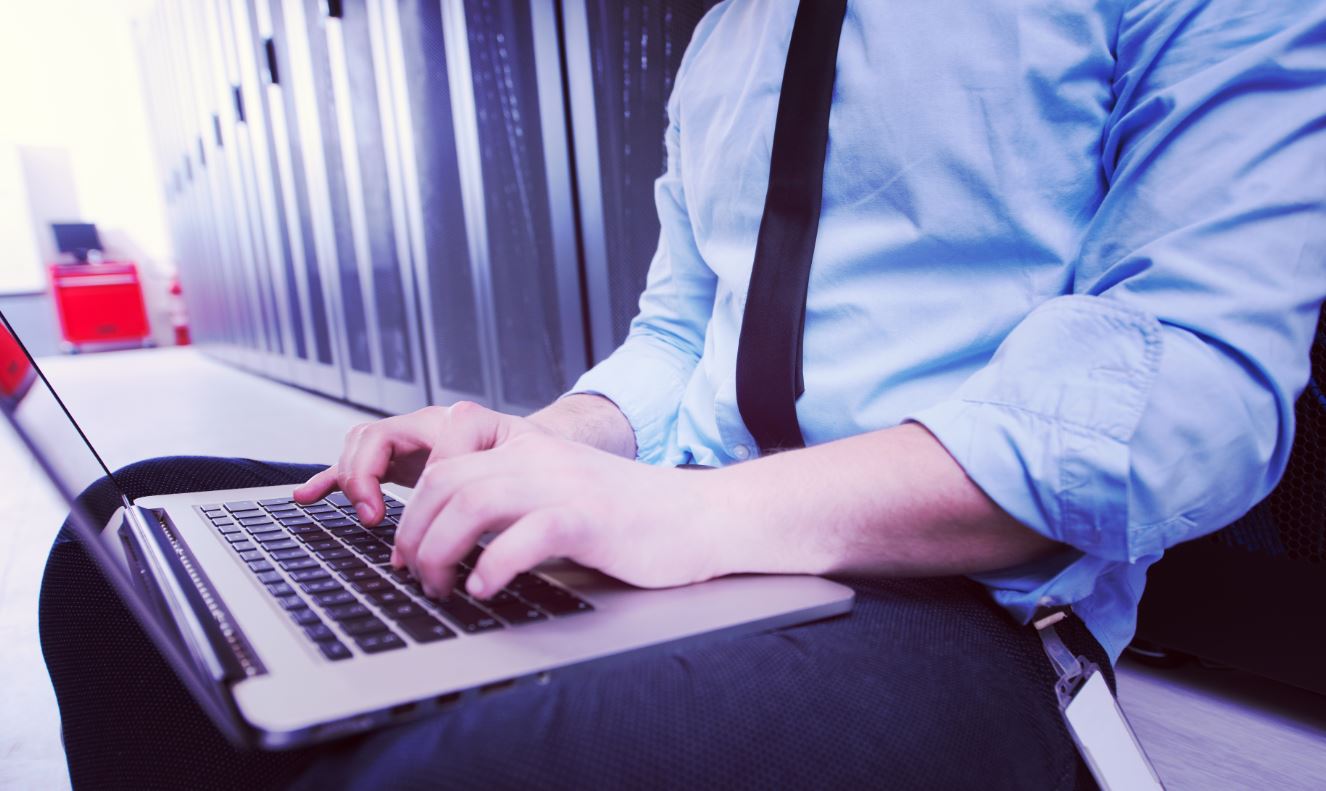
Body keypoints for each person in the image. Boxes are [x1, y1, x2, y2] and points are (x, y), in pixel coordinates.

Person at [41, 1, 1326, 789]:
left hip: (965, 601)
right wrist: (531, 445)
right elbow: (678, 336)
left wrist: (686, 519)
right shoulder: (730, 34)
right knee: (128, 537)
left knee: (490, 772)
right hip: (690, 536)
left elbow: (1188, 381)